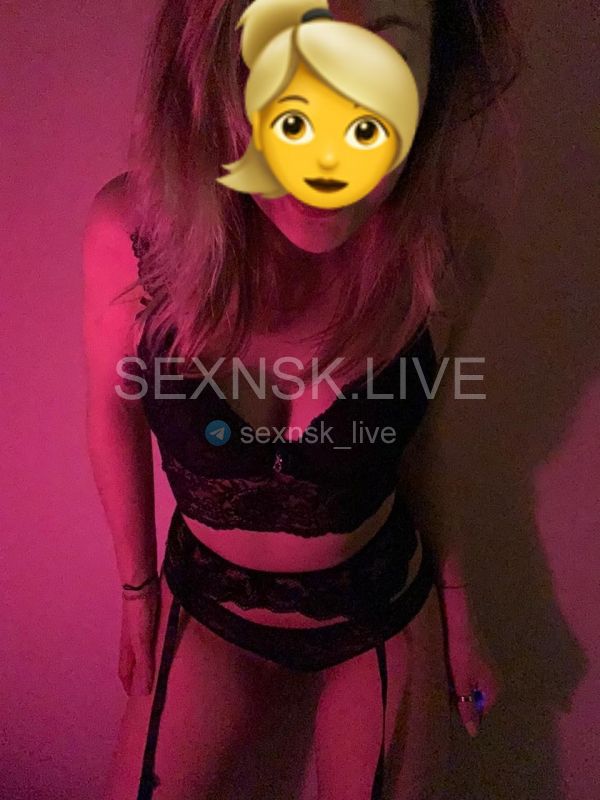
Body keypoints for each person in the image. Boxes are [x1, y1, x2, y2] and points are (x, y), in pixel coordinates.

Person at [83, 1, 522, 798]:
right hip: (209, 601)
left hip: (376, 605)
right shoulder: (136, 235)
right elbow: (114, 406)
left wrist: (461, 614)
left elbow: (422, 435)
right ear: (213, 65)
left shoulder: (447, 252)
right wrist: (136, 591)